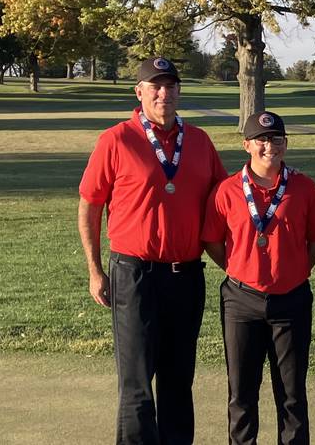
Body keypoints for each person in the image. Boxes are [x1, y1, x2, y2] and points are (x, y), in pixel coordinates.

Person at [78, 56, 227, 444]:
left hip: (186, 275)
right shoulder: (116, 139)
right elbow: (90, 205)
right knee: (137, 383)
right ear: (139, 92)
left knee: (179, 380)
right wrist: (96, 271)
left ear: (179, 91)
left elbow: (225, 201)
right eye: (155, 86)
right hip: (134, 274)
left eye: (171, 86)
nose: (164, 93)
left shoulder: (199, 141)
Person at [201, 111, 315, 445]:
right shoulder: (227, 190)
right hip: (241, 301)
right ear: (246, 145)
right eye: (261, 139)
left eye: (276, 139)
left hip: (292, 300)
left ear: (285, 144)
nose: (269, 145)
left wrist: (298, 268)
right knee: (242, 393)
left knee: (291, 393)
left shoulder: (305, 188)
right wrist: (237, 266)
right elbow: (212, 241)